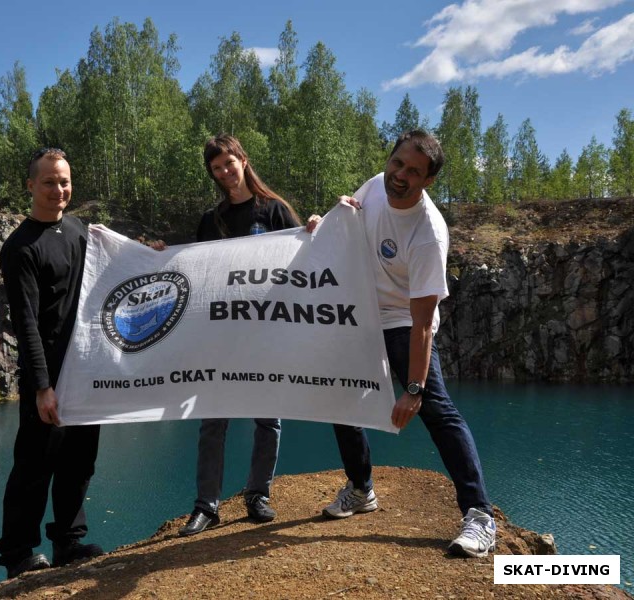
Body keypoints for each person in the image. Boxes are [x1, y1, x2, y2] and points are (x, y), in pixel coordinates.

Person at [306, 130, 496, 558]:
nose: (400, 176)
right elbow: (348, 225)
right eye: (397, 163)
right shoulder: (375, 184)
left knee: (437, 410)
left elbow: (423, 323)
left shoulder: (429, 234)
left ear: (428, 181)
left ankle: (480, 516)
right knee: (343, 400)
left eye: (414, 172)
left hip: (402, 322)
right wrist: (326, 223)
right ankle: (360, 490)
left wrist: (413, 388)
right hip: (359, 313)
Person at [177, 134, 302, 536]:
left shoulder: (276, 211)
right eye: (216, 168)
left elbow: (309, 262)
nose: (224, 172)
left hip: (267, 335)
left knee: (269, 420)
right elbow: (194, 273)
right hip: (220, 338)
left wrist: (316, 228)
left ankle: (257, 495)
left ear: (243, 160)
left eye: (229, 163)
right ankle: (206, 506)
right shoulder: (210, 221)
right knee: (213, 422)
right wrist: (159, 253)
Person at [0, 148, 104, 578]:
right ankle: (18, 553)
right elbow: (26, 325)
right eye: (49, 182)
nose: (59, 190)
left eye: (64, 181)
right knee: (35, 465)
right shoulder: (21, 248)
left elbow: (112, 268)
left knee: (80, 461)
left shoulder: (79, 231)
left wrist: (150, 255)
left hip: (87, 369)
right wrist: (42, 386)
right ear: (31, 186)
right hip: (48, 377)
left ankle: (68, 542)